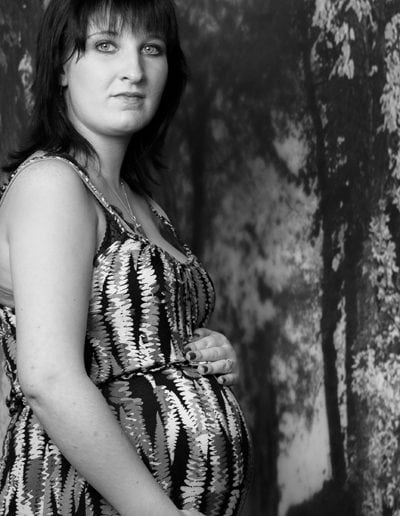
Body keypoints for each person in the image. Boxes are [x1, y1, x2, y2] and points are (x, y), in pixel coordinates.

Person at [0, 0, 252, 514]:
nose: (133, 71)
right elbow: (47, 377)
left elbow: (138, 341)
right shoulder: (52, 183)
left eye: (151, 49)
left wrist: (206, 357)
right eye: (105, 45)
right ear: (63, 66)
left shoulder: (143, 203)